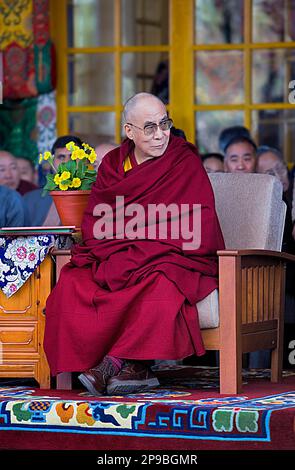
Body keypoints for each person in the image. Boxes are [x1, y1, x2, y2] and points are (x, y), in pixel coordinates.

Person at [44, 92, 225, 396]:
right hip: (119, 253)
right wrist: (125, 244)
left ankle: (113, 364)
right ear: (129, 131)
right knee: (74, 280)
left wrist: (143, 240)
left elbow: (199, 221)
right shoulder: (113, 164)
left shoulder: (183, 161)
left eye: (164, 124)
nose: (160, 135)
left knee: (163, 280)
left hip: (170, 253)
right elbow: (97, 220)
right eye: (150, 127)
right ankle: (134, 369)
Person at [24, 135, 84, 226]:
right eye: (61, 157)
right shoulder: (30, 199)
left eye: (72, 156)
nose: (67, 162)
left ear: (84, 160)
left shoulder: (94, 195)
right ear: (51, 161)